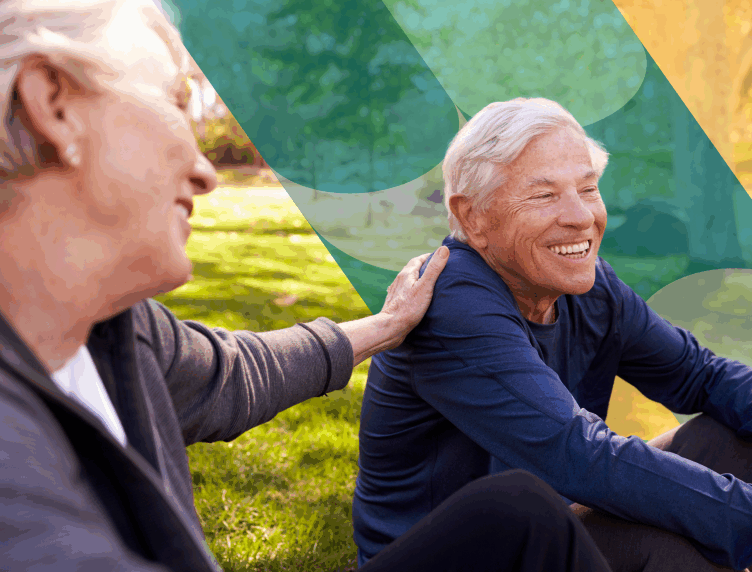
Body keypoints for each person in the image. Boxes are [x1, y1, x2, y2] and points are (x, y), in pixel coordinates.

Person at [0, 3, 614, 571]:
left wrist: (383, 327)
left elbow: (236, 374)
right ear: (52, 103)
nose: (204, 170)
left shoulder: (113, 330)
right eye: (172, 104)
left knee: (518, 515)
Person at [352, 97, 752, 571]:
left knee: (729, 442)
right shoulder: (454, 299)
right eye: (544, 196)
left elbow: (700, 375)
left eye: (588, 189)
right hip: (467, 555)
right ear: (472, 218)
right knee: (666, 533)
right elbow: (582, 457)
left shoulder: (585, 286)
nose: (580, 217)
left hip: (556, 524)